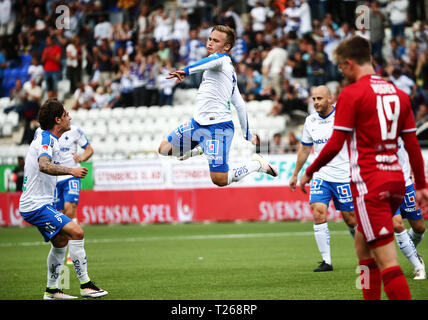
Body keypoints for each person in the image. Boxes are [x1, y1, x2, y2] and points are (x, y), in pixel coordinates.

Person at [299, 36, 428, 300]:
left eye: (341, 67)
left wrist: (311, 169)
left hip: (371, 183)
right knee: (363, 246)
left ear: (348, 63)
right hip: (397, 181)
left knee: (386, 260)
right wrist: (423, 185)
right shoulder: (399, 94)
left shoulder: (352, 94)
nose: (342, 73)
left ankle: (412, 269)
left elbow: (336, 143)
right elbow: (413, 145)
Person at [158, 25, 278, 187]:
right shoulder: (228, 72)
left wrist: (186, 71)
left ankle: (256, 164)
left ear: (227, 47)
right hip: (198, 124)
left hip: (218, 128)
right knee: (165, 149)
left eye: (215, 41)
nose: (210, 43)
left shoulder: (221, 60)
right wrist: (247, 133)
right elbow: (240, 105)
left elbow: (239, 103)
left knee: (219, 180)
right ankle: (200, 147)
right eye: (209, 39)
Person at [19, 99, 107, 299]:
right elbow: (44, 165)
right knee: (77, 232)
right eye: (67, 114)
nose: (70, 117)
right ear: (57, 120)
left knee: (60, 242)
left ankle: (51, 290)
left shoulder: (44, 134)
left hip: (37, 203)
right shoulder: (47, 140)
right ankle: (86, 285)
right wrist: (72, 171)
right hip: (36, 205)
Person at [290, 85, 357, 272]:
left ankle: (365, 252)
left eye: (319, 98)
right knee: (318, 211)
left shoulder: (342, 119)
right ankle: (326, 261)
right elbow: (304, 148)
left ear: (330, 99)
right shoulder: (310, 121)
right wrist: (296, 173)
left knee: (351, 220)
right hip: (321, 175)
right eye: (314, 99)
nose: (316, 102)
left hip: (344, 175)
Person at [35, 123, 94, 265]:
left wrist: (81, 158)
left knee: (70, 208)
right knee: (60, 215)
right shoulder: (40, 132)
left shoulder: (75, 130)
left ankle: (72, 254)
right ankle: (63, 249)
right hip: (54, 178)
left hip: (72, 175)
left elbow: (89, 149)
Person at [393, 137, 426, 280]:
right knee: (397, 225)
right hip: (384, 186)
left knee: (419, 228)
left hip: (406, 185)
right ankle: (418, 266)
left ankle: (411, 250)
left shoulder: (399, 125)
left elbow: (413, 149)